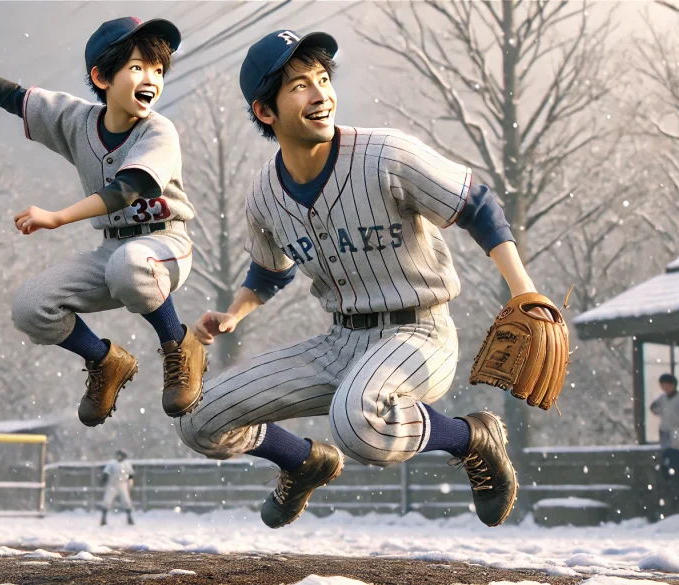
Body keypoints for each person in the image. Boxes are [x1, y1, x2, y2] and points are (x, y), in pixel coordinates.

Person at [178, 29, 550, 530]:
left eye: (323, 78)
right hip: (341, 340)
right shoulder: (264, 193)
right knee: (199, 421)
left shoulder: (384, 155)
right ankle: (301, 461)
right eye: (298, 86)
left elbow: (477, 205)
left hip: (421, 331)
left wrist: (522, 288)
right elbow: (270, 269)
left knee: (358, 426)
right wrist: (235, 312)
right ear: (266, 112)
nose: (320, 93)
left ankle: (472, 439)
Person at [0, 18, 207, 427]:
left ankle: (179, 344)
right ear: (101, 76)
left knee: (130, 266)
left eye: (158, 69)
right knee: (31, 306)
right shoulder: (77, 120)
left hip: (166, 244)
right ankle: (105, 362)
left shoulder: (159, 130)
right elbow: (15, 97)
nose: (152, 78)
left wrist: (58, 216)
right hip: (113, 249)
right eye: (138, 67)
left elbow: (128, 189)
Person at [649, 373, 679, 515]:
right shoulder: (662, 400)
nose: (665, 388)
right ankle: (669, 499)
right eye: (663, 385)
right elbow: (654, 408)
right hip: (666, 434)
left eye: (667, 385)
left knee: (678, 468)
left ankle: (678, 500)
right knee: (665, 467)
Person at [100, 449, 136, 526]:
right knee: (107, 501)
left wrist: (130, 483)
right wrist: (104, 479)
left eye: (120, 456)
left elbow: (130, 474)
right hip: (112, 484)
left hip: (122, 484)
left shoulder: (126, 464)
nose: (119, 457)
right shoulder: (112, 463)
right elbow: (106, 472)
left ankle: (129, 518)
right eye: (118, 455)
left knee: (126, 501)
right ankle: (103, 518)